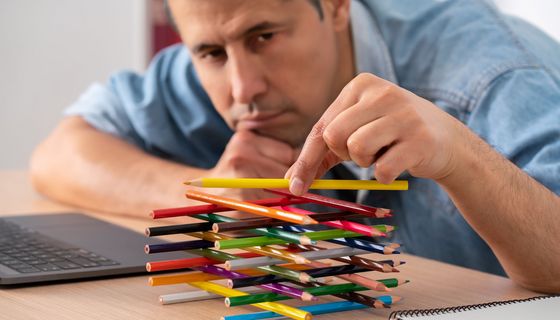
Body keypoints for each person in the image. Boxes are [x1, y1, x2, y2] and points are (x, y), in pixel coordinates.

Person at [30, 0, 560, 293]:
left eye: (264, 37)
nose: (243, 89)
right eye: (212, 52)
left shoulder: (495, 78)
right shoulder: (224, 48)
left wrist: (462, 159)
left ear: (334, 7)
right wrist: (207, 192)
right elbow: (59, 153)